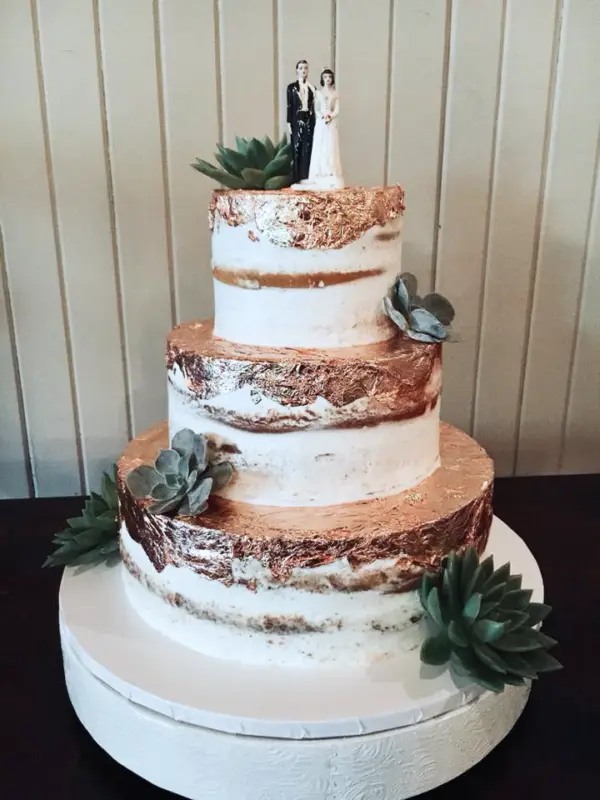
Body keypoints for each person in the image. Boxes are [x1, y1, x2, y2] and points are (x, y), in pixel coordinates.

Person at [306, 68, 344, 189]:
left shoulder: (335, 94)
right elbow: (316, 109)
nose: (327, 79)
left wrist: (330, 116)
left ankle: (330, 170)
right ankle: (320, 170)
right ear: (322, 79)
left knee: (330, 145)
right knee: (320, 145)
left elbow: (337, 110)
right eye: (325, 77)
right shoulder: (318, 93)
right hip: (321, 123)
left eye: (329, 77)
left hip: (331, 123)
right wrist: (323, 116)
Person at [286, 60, 316, 184]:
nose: (303, 70)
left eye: (305, 68)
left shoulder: (312, 88)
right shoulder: (291, 87)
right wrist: (289, 122)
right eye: (301, 68)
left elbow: (314, 106)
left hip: (308, 119)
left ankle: (306, 176)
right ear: (297, 70)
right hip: (296, 119)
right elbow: (289, 105)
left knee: (307, 147)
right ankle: (296, 177)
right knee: (296, 147)